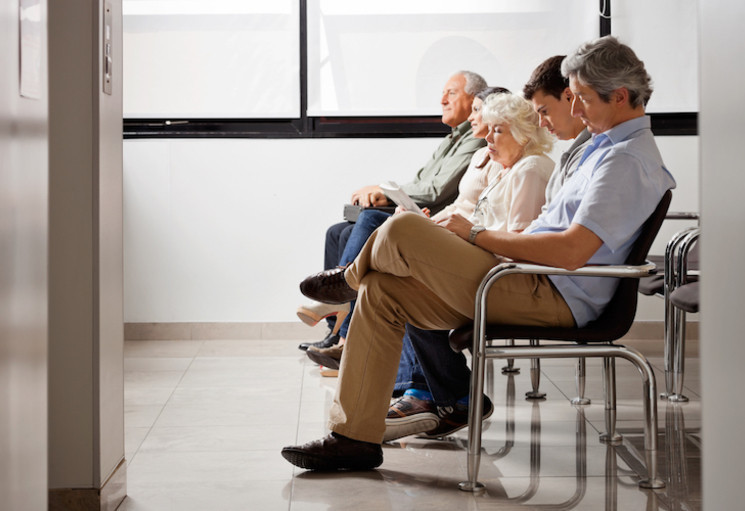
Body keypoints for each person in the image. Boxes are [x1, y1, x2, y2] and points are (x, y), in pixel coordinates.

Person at [281, 36, 675, 472]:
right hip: (525, 277)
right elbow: (553, 233)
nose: (575, 110)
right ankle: (353, 436)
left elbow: (570, 250)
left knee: (403, 227)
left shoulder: (625, 161)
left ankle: (346, 282)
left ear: (619, 96)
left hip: (551, 294)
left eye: (581, 99)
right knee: (382, 288)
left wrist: (479, 235)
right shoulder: (597, 149)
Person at [384, 55, 594, 441]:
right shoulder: (510, 167)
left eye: (498, 130)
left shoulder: (532, 169)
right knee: (401, 258)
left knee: (404, 257)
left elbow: (518, 243)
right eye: (489, 129)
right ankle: (429, 391)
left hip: (511, 273)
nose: (487, 138)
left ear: (523, 132)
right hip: (499, 264)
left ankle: (437, 392)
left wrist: (464, 236)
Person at [306, 86, 511, 370]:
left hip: (464, 237)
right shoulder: (472, 150)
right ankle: (340, 329)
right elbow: (456, 201)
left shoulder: (489, 153)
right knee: (340, 231)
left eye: (453, 94)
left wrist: (401, 202)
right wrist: (424, 215)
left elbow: (449, 196)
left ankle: (344, 315)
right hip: (448, 222)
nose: (443, 101)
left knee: (373, 224)